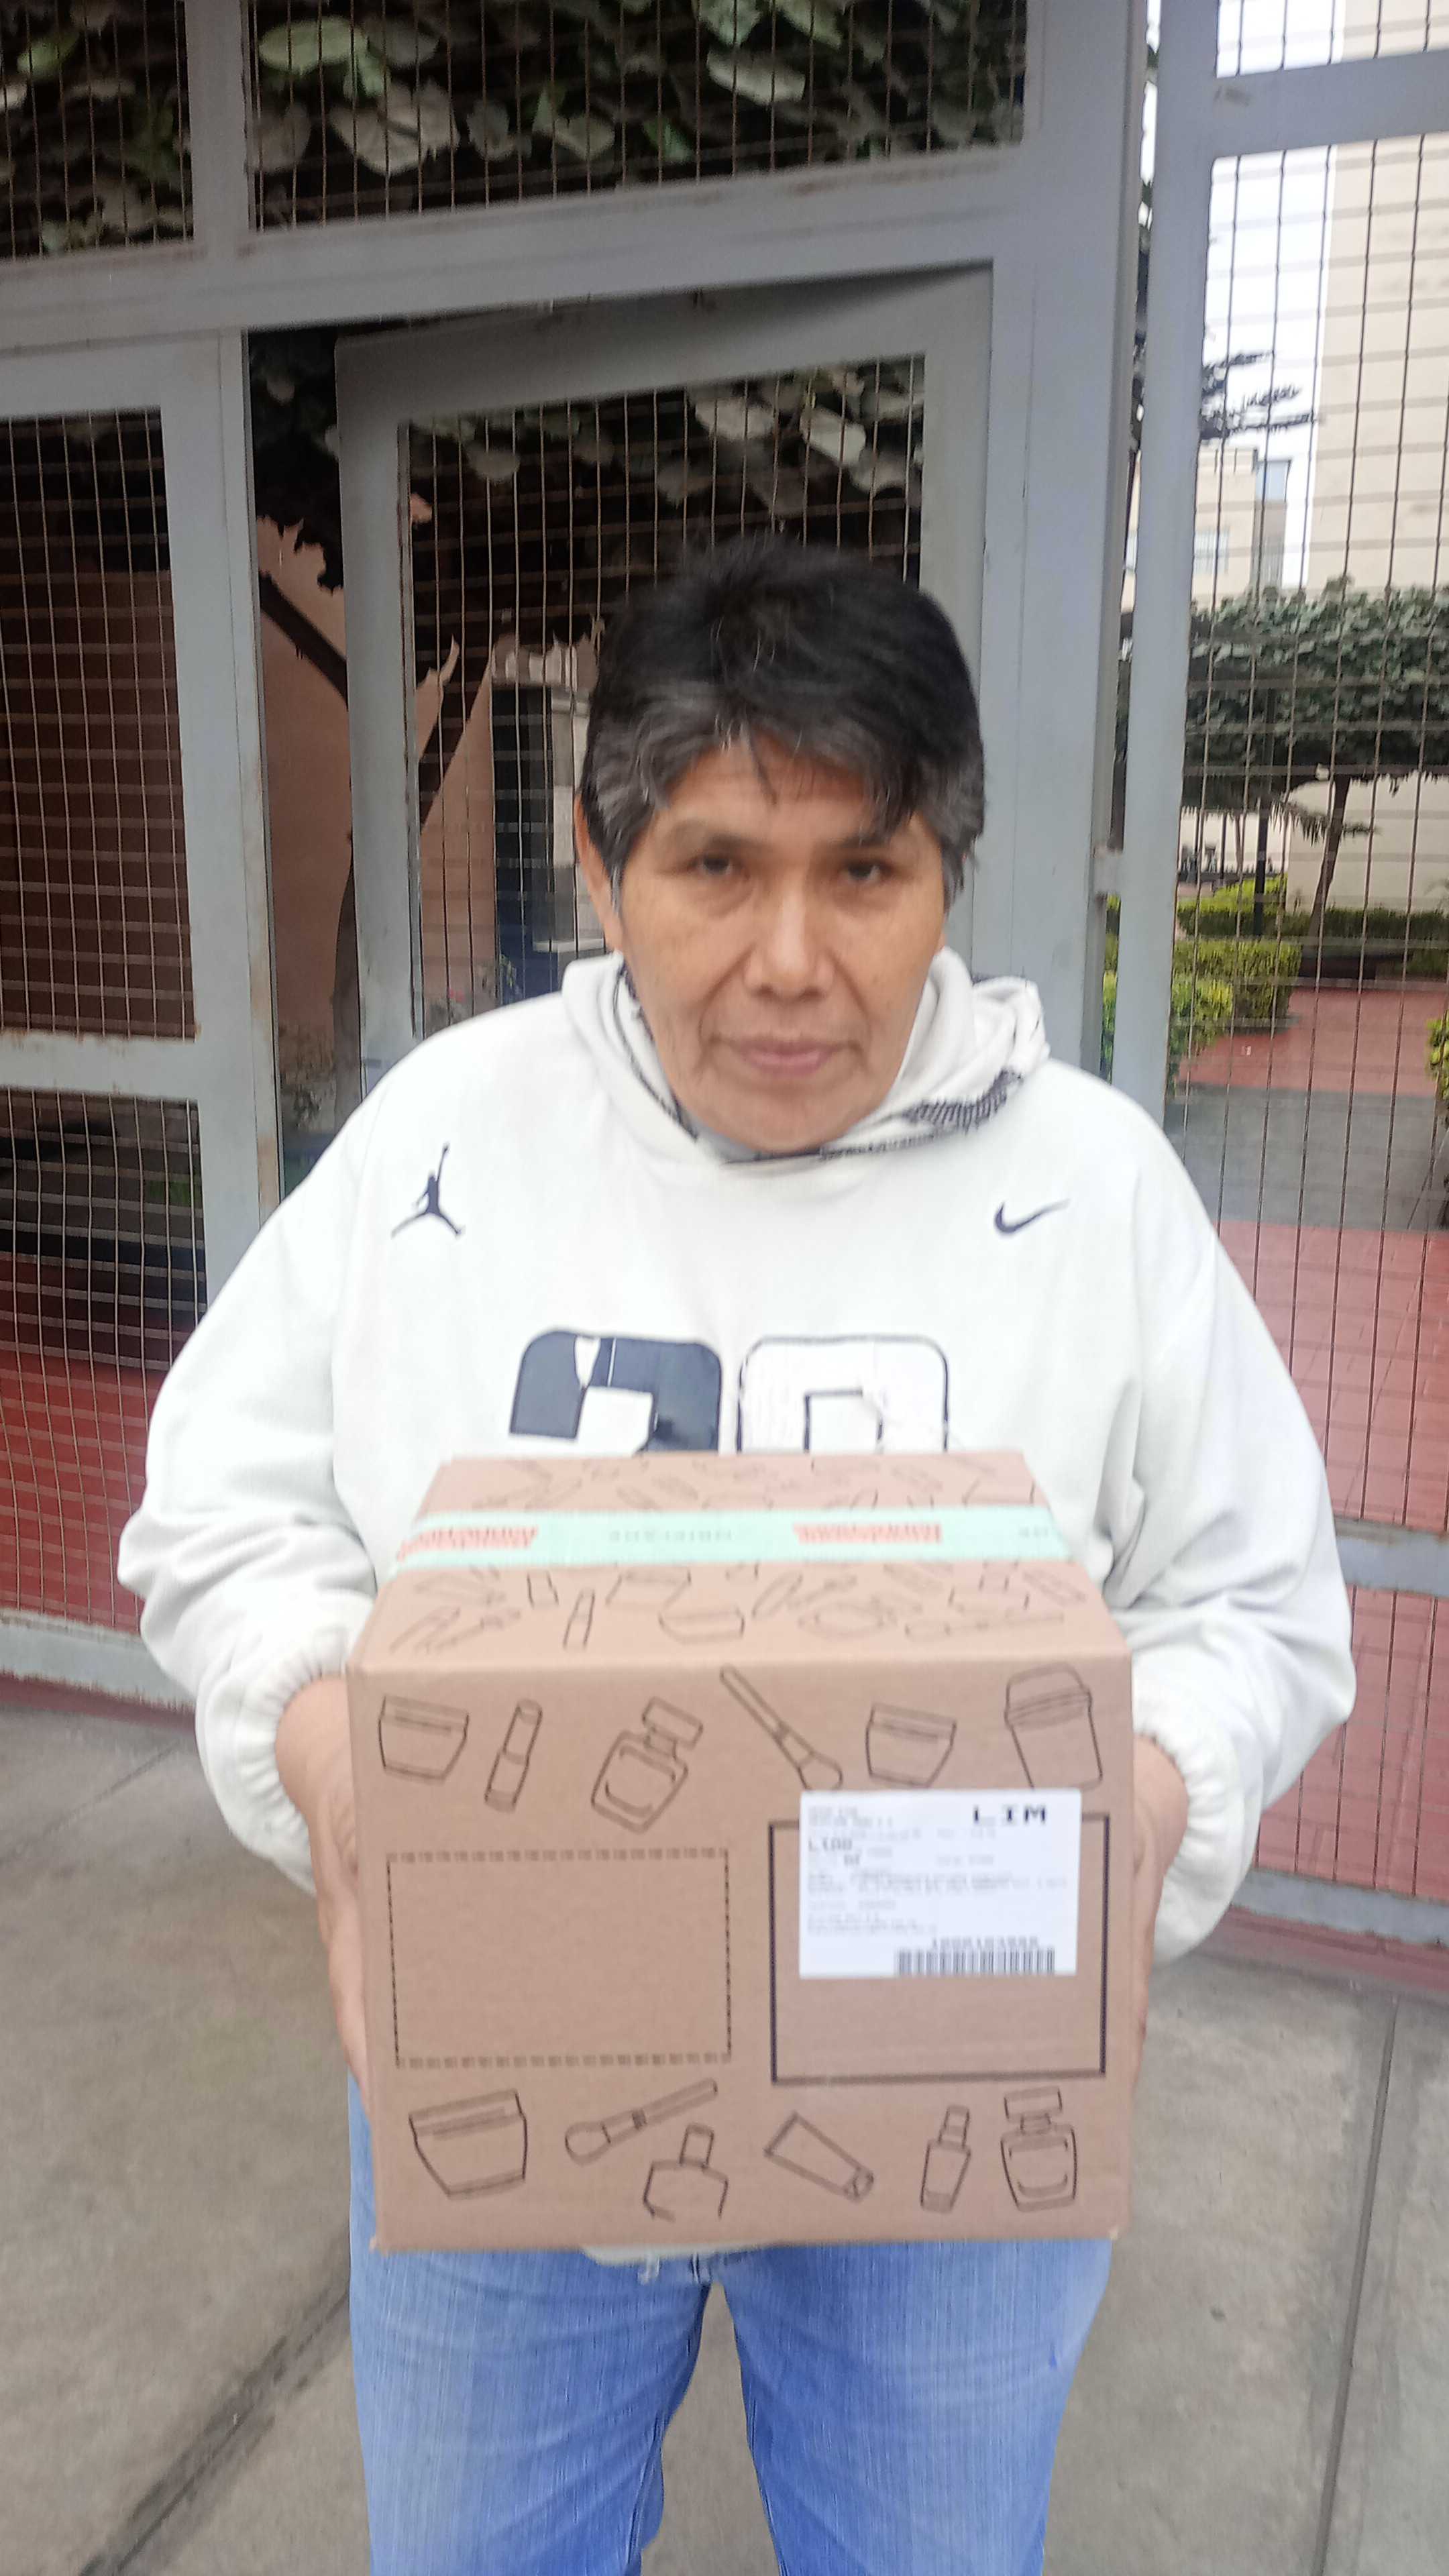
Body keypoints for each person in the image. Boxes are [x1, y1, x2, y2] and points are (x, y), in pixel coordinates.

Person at [119, 537, 1354, 2576]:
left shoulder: (1093, 1193)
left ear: (948, 876)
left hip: (947, 2098)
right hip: (510, 2047)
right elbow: (226, 1504)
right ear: (601, 873)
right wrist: (338, 1768)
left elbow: (1252, 1601)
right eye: (716, 867)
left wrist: (1130, 1820)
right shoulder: (445, 1143)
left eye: (865, 871)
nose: (792, 960)